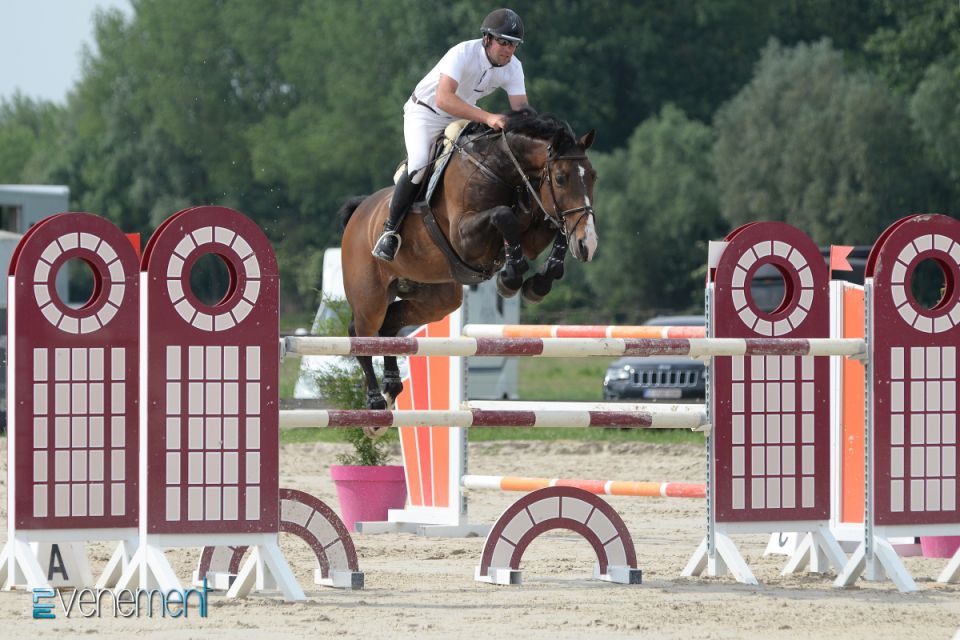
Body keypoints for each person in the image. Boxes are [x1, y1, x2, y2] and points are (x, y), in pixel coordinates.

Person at [372, 8, 531, 262]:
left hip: (463, 114)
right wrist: (489, 117)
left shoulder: (513, 67)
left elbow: (523, 113)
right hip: (425, 113)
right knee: (419, 164)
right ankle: (389, 231)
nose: (509, 50)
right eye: (503, 42)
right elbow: (444, 98)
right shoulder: (463, 53)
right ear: (487, 39)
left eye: (514, 45)